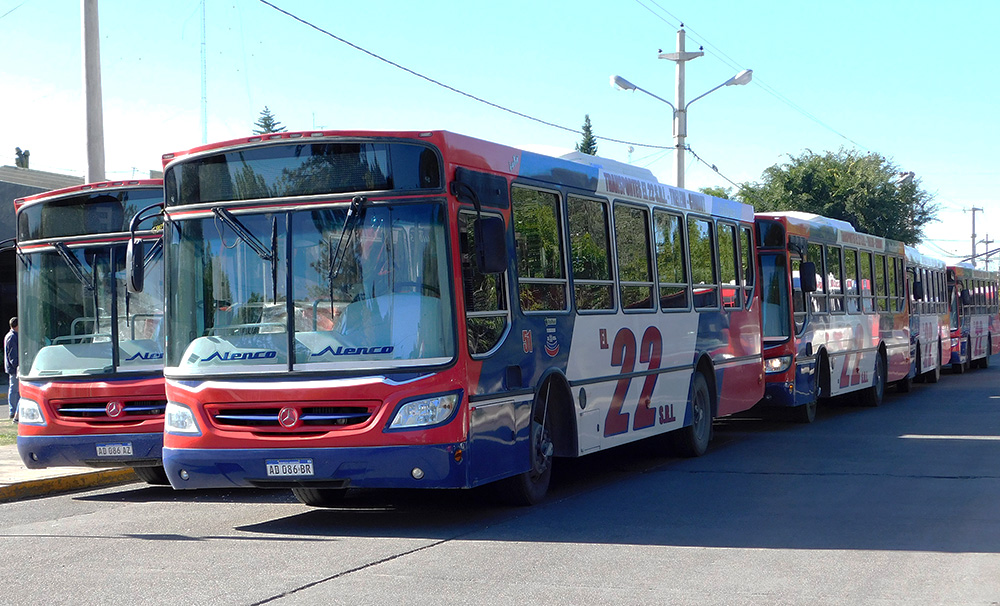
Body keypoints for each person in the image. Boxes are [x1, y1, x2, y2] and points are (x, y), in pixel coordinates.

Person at [5, 317, 18, 422]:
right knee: (14, 389)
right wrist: (17, 364)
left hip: (13, 367)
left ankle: (14, 410)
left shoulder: (11, 336)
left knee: (14, 389)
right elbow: (12, 354)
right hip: (14, 368)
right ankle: (13, 411)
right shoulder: (12, 337)